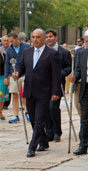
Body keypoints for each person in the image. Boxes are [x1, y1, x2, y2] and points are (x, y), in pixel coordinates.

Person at [14, 28, 61, 157]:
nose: (35, 39)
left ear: (44, 38)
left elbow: (56, 75)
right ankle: (44, 140)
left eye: (38, 37)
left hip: (44, 92)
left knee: (40, 120)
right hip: (29, 90)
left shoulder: (51, 54)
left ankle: (32, 147)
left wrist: (55, 91)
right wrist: (17, 73)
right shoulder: (27, 52)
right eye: (33, 37)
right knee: (34, 119)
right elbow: (21, 66)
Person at [44, 29, 72, 142]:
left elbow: (69, 67)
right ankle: (48, 131)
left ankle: (57, 131)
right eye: (46, 37)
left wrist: (59, 73)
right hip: (44, 84)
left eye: (50, 36)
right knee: (45, 108)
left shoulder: (64, 52)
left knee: (53, 107)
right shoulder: (43, 51)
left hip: (57, 84)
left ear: (56, 37)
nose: (48, 39)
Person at [5, 32, 30, 123]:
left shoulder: (26, 47)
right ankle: (16, 115)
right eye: (9, 41)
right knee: (14, 94)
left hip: (25, 74)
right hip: (13, 74)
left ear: (16, 39)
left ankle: (27, 112)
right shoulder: (9, 50)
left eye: (12, 41)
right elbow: (7, 63)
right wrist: (6, 76)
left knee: (26, 93)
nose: (10, 43)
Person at [0, 35, 10, 110]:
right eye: (4, 40)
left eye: (7, 40)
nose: (6, 42)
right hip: (1, 73)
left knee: (4, 93)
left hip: (6, 74)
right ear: (1, 41)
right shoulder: (0, 50)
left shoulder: (11, 50)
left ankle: (1, 110)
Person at [0, 44, 9, 120]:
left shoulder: (3, 51)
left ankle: (0, 112)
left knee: (1, 95)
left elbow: (6, 64)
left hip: (2, 75)